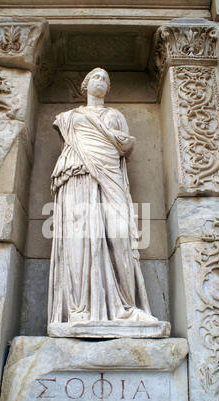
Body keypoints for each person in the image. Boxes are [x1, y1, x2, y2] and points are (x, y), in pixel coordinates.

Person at [48, 67, 158, 328]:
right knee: (79, 240)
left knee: (120, 235)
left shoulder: (115, 115)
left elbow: (124, 148)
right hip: (76, 174)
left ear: (108, 89)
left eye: (105, 79)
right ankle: (79, 310)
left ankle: (127, 307)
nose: (101, 81)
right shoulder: (67, 117)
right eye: (96, 77)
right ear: (84, 85)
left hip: (110, 176)